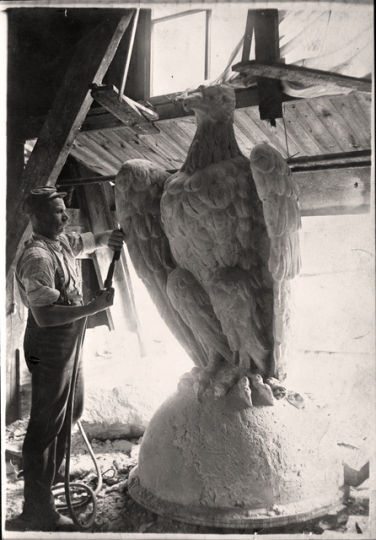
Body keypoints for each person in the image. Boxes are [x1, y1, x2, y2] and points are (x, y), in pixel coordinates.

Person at [13, 186, 125, 532]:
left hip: (69, 341)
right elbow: (45, 316)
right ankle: (38, 509)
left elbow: (91, 240)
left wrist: (112, 238)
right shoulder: (37, 259)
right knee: (44, 429)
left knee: (71, 413)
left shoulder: (59, 242)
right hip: (48, 345)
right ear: (35, 217)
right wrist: (93, 307)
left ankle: (48, 487)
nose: (64, 217)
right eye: (57, 212)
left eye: (64, 211)